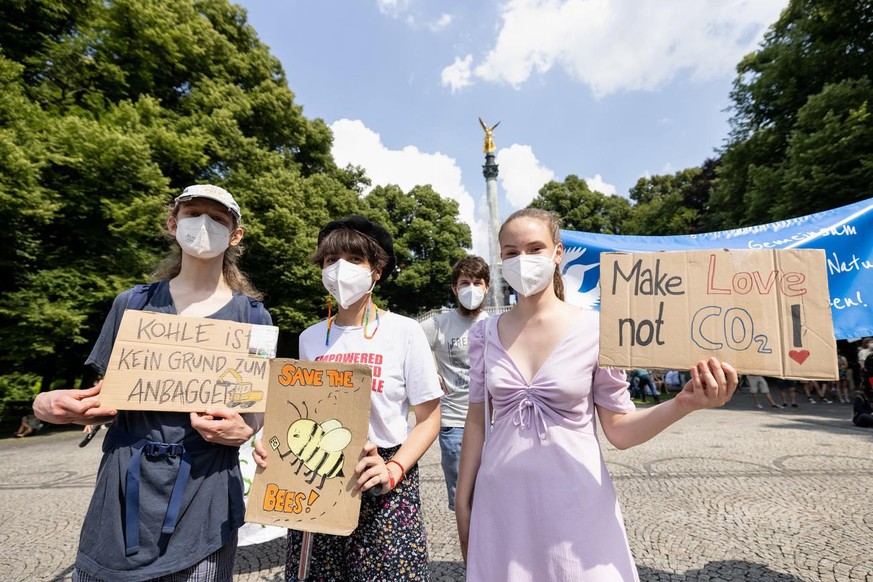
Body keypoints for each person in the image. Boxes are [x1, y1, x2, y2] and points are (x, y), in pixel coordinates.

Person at [454, 208, 738, 582]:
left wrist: (683, 403)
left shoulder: (599, 330)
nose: (523, 260)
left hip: (577, 503)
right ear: (501, 259)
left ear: (557, 253)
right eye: (511, 252)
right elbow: (476, 420)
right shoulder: (483, 336)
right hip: (502, 502)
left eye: (535, 248)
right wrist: (463, 498)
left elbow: (619, 430)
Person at [32, 184, 271, 582]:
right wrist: (47, 406)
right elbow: (105, 394)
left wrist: (246, 428)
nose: (203, 225)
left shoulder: (255, 318)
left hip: (207, 490)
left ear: (236, 234)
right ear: (173, 223)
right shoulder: (131, 304)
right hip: (125, 485)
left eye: (218, 219)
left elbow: (256, 410)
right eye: (193, 214)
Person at [254, 215, 442, 581]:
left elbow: (429, 418)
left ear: (377, 270)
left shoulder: (405, 332)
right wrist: (271, 447)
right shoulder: (310, 338)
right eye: (330, 260)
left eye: (354, 260)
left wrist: (394, 469)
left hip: (385, 482)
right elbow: (298, 413)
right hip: (315, 476)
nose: (340, 269)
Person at [420, 256, 490, 511]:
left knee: (494, 500)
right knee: (464, 502)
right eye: (464, 283)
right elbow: (410, 343)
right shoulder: (440, 323)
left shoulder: (494, 324)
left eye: (477, 282)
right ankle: (470, 550)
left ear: (487, 287)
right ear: (454, 288)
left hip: (493, 424)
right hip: (453, 423)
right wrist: (430, 371)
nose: (471, 288)